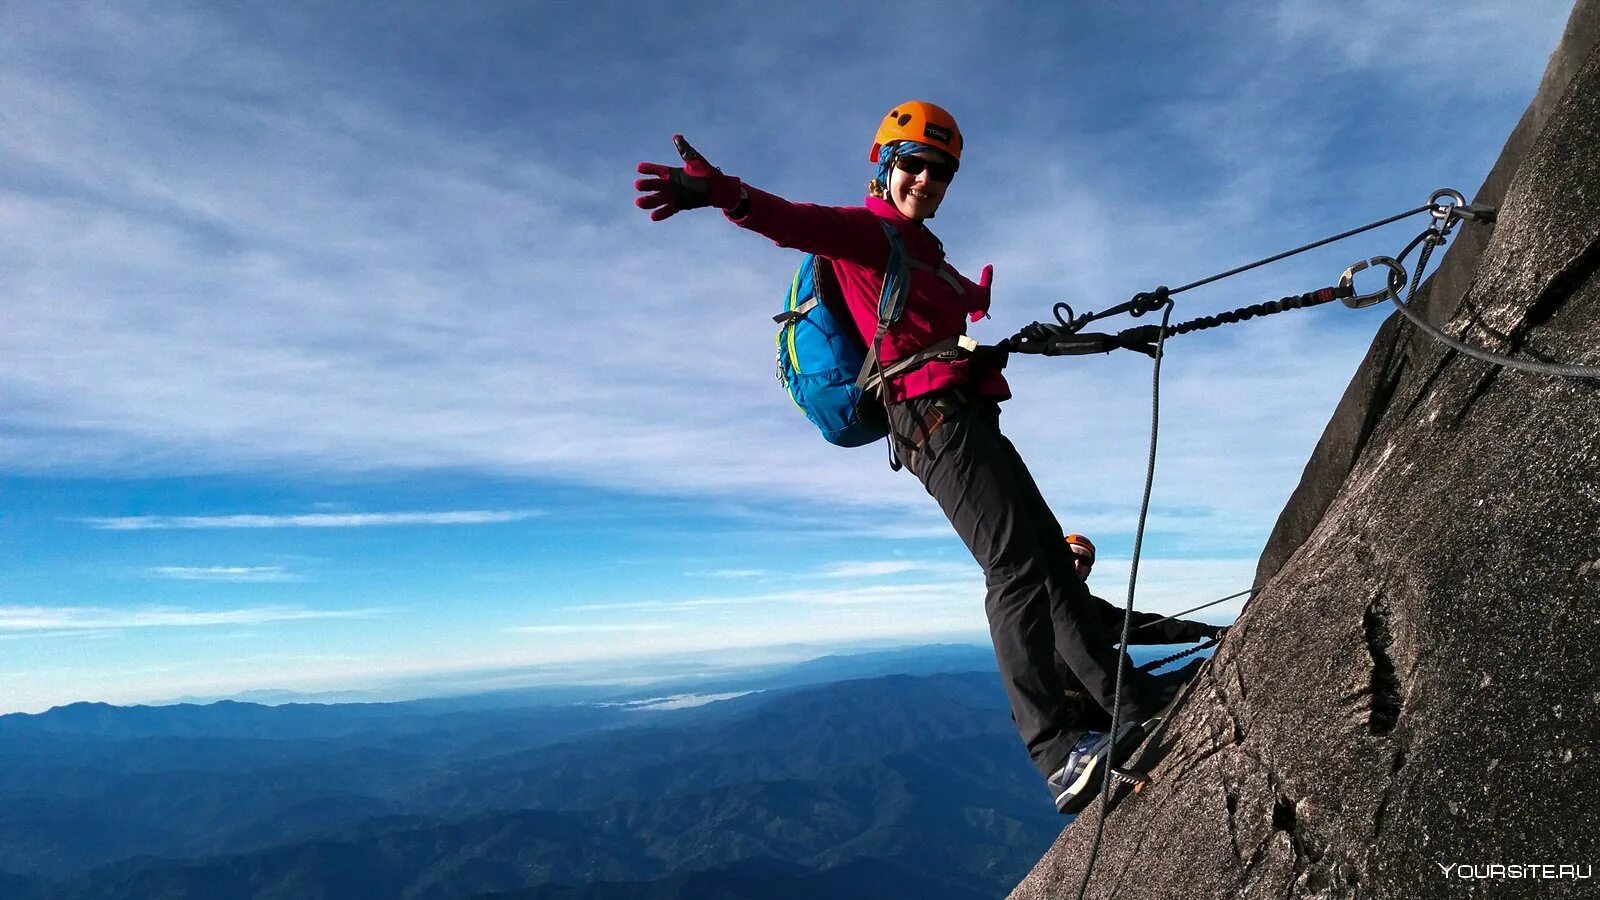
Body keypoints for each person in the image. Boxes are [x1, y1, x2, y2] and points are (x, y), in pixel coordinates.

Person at [634, 101, 1174, 813]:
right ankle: (1055, 750)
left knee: (1047, 557)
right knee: (1014, 567)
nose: (926, 179)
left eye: (940, 171)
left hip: (968, 418)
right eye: (913, 164)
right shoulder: (862, 233)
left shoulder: (926, 253)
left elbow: (939, 319)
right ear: (885, 165)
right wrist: (722, 192)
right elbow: (788, 219)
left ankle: (1126, 702)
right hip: (931, 425)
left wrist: (971, 301)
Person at [1052, 533, 1227, 733]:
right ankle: (1141, 706)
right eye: (1070, 556)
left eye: (1084, 560)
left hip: (1082, 708)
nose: (1077, 564)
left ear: (1089, 570)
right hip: (1071, 711)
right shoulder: (1042, 603)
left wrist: (1204, 630)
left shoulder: (1092, 608)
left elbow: (1145, 626)